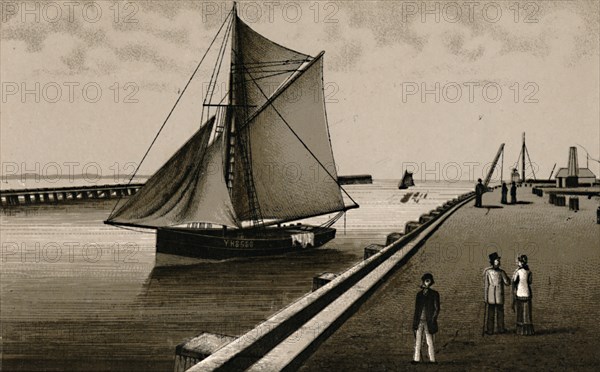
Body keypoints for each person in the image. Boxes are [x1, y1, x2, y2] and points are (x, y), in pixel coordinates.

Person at [412, 273, 440, 364]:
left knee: (429, 341)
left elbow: (437, 308)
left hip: (429, 321)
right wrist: (414, 322)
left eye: (428, 281)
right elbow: (416, 310)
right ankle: (416, 359)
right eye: (425, 281)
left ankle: (432, 359)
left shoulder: (434, 294)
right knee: (418, 341)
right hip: (419, 321)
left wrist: (433, 319)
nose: (426, 283)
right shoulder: (419, 295)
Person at [484, 252, 510, 334]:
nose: (498, 262)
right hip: (496, 295)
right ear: (493, 262)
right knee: (496, 313)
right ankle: (498, 329)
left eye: (498, 260)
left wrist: (485, 297)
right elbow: (507, 282)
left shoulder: (488, 272)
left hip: (493, 295)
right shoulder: (501, 272)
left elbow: (486, 286)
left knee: (496, 313)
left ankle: (491, 330)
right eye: (497, 260)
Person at [512, 255, 534, 335]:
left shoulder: (518, 271)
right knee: (527, 312)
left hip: (520, 293)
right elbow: (530, 281)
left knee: (520, 312)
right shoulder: (529, 272)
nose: (518, 263)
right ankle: (528, 331)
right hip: (527, 293)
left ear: (521, 263)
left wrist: (515, 272)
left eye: (519, 262)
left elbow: (514, 280)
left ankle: (520, 331)